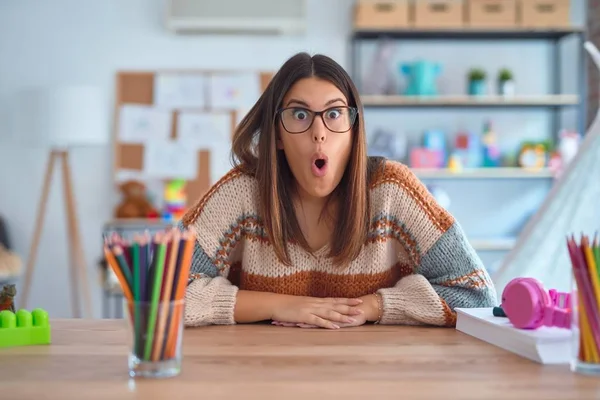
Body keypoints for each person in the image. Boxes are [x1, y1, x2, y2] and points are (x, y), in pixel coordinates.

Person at [178, 52, 497, 330]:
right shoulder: (240, 192)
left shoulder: (392, 190)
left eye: (333, 114)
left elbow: (475, 293)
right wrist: (280, 304)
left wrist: (375, 306)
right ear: (277, 135)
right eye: (299, 115)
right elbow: (159, 291)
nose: (319, 133)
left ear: (354, 131)